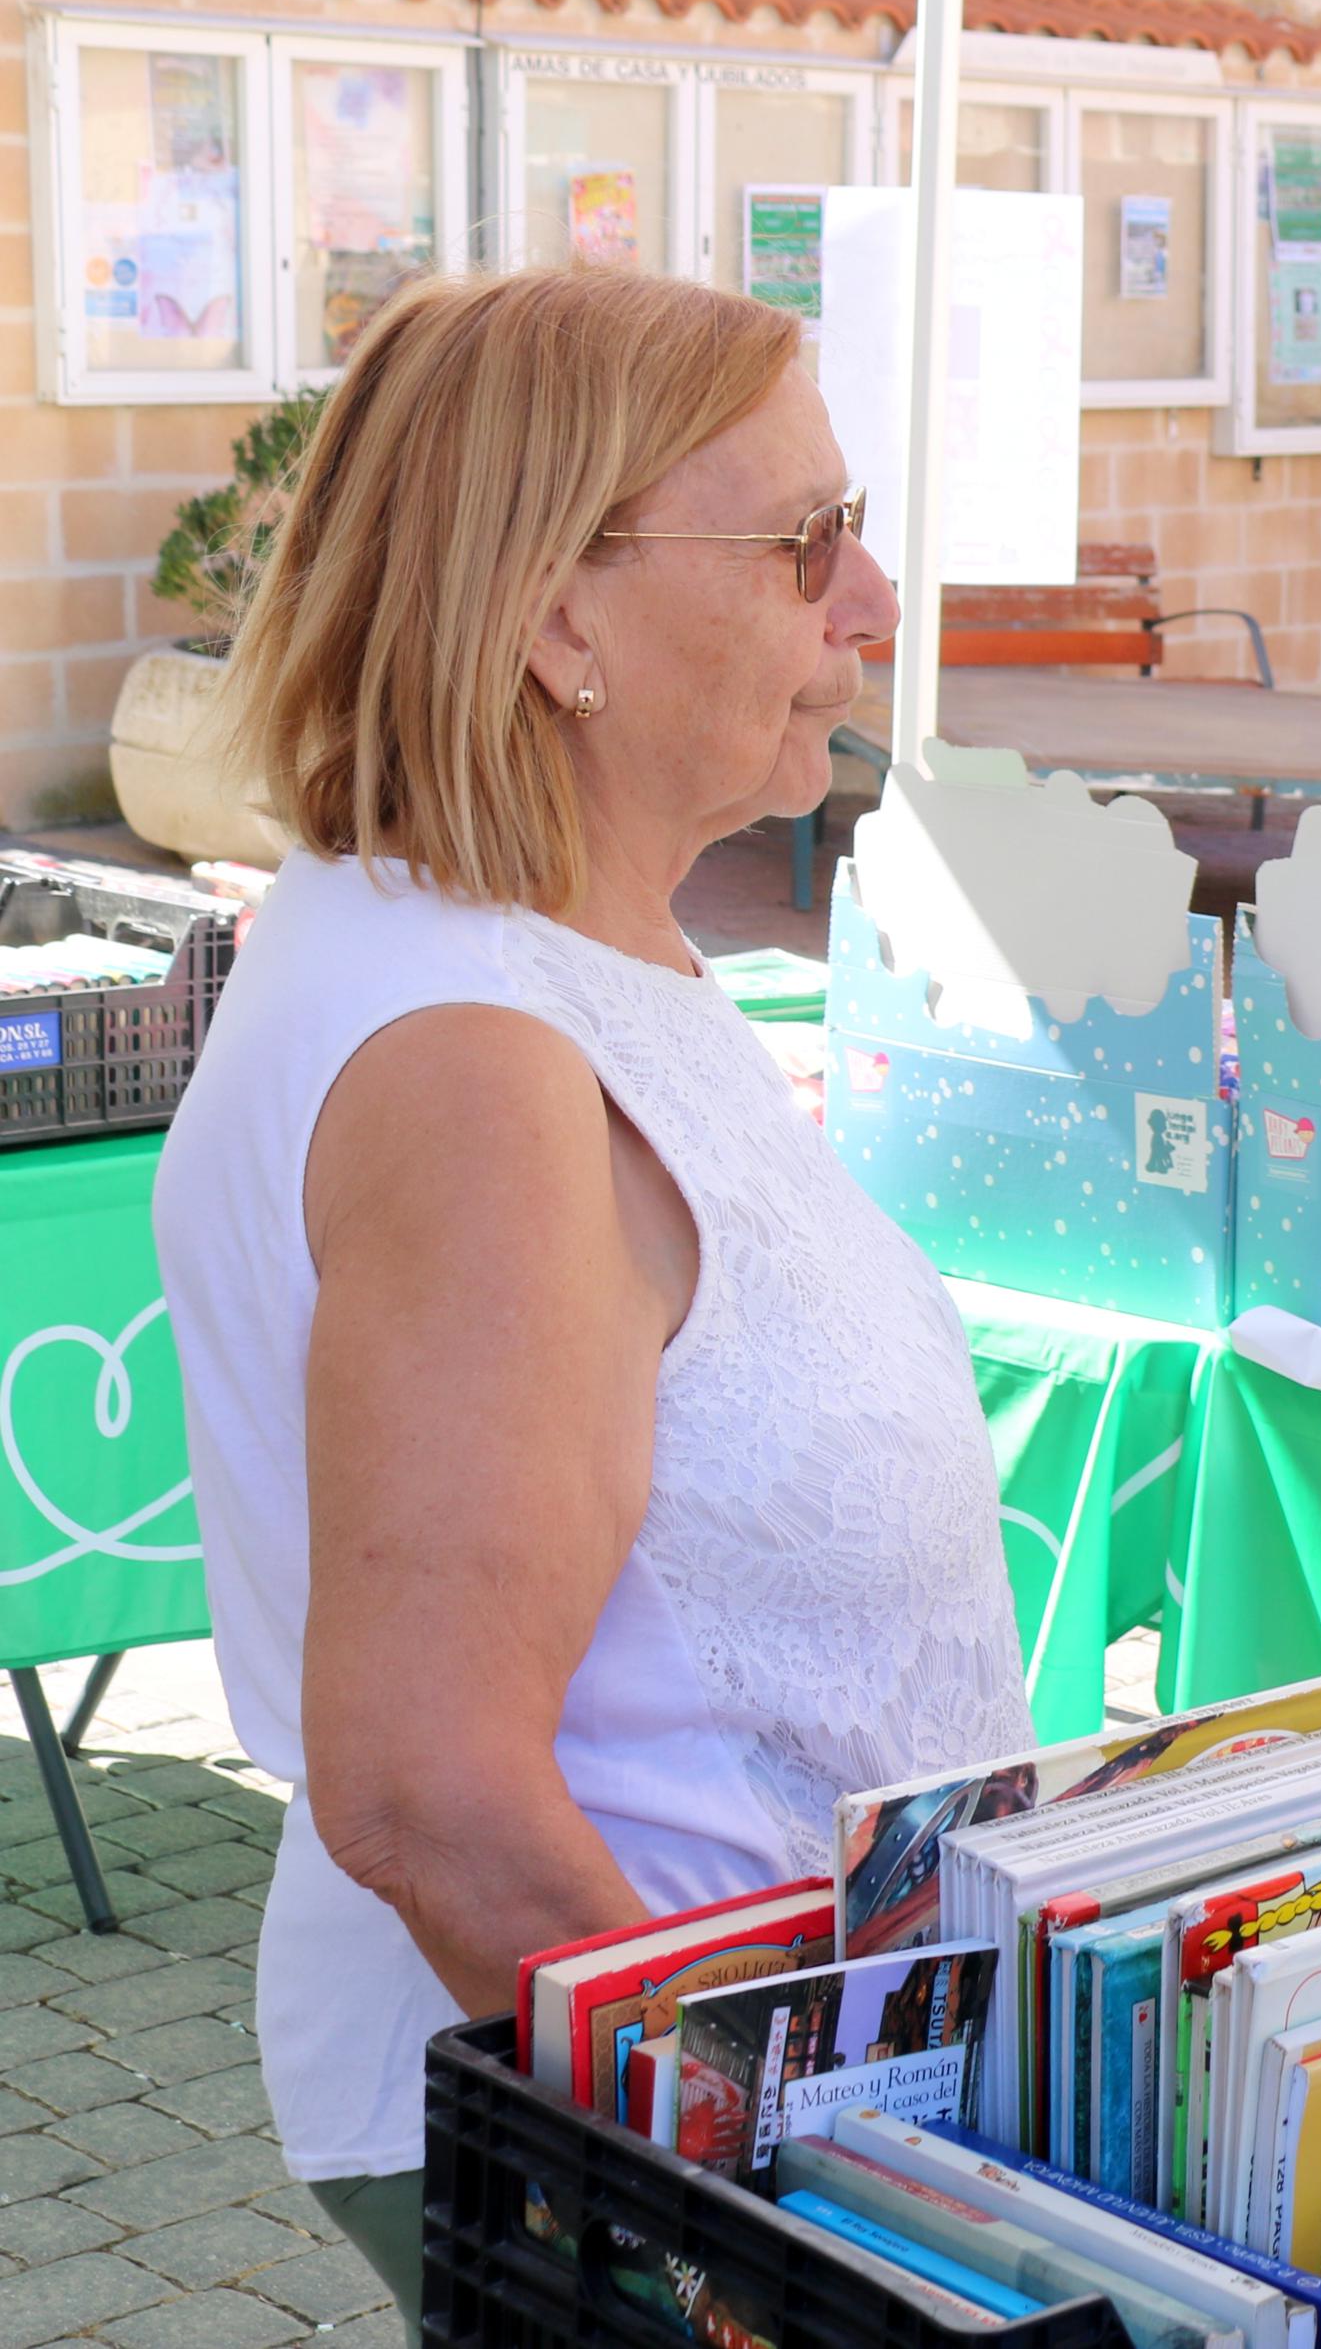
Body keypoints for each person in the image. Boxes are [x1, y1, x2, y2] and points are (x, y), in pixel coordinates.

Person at [153, 269, 1033, 2316]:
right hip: (655, 2138)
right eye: (809, 538)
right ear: (557, 619)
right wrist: (751, 2241)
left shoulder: (508, 946)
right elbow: (432, 1790)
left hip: (740, 2088)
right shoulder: (473, 1053)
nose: (875, 597)